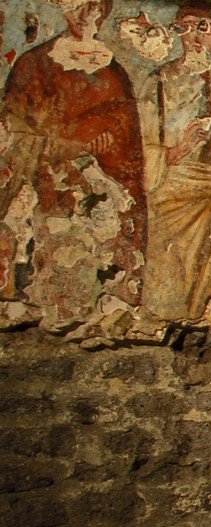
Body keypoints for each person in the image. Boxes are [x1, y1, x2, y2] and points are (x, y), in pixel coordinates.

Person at [1, 0, 144, 312]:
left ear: (104, 10)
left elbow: (128, 146)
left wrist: (105, 146)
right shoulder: (33, 64)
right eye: (75, 5)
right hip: (47, 191)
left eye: (93, 6)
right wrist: (71, 141)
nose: (85, 14)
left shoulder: (113, 70)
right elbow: (13, 132)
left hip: (99, 197)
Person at [140, 0, 211, 321]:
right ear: (178, 32)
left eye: (205, 28)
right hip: (169, 198)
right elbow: (139, 153)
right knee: (167, 274)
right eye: (187, 26)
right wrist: (177, 151)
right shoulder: (158, 83)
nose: (195, 36)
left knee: (203, 285)